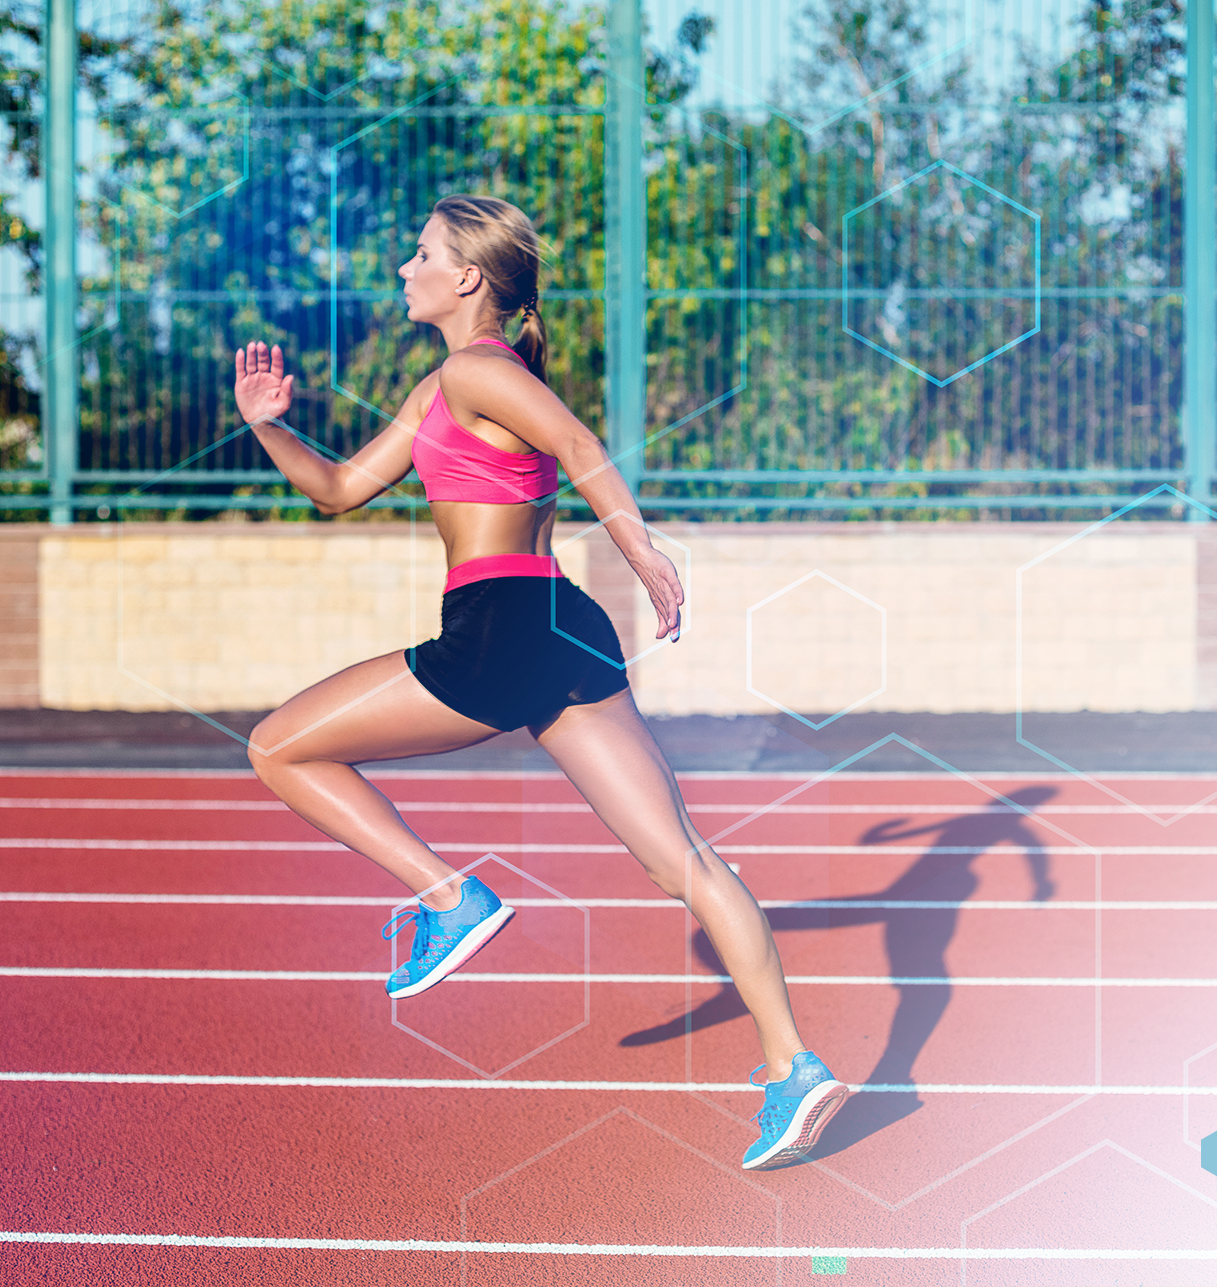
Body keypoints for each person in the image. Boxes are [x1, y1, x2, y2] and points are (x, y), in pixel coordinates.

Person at [230, 193, 844, 1171]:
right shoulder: (442, 388)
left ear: (466, 277)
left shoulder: (476, 369)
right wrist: (269, 427)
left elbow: (578, 445)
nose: (404, 267)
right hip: (561, 630)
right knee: (681, 860)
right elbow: (338, 490)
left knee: (276, 744)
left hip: (502, 624)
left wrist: (640, 549)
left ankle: (447, 897)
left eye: (420, 252)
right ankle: (792, 1063)